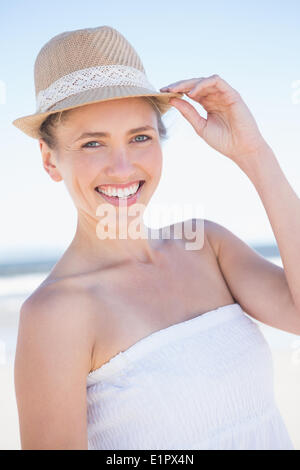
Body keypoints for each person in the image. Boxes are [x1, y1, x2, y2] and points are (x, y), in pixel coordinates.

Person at [12, 25, 299, 450]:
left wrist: (254, 154)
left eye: (140, 137)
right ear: (50, 160)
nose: (123, 167)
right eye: (93, 143)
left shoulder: (207, 246)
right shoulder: (55, 314)